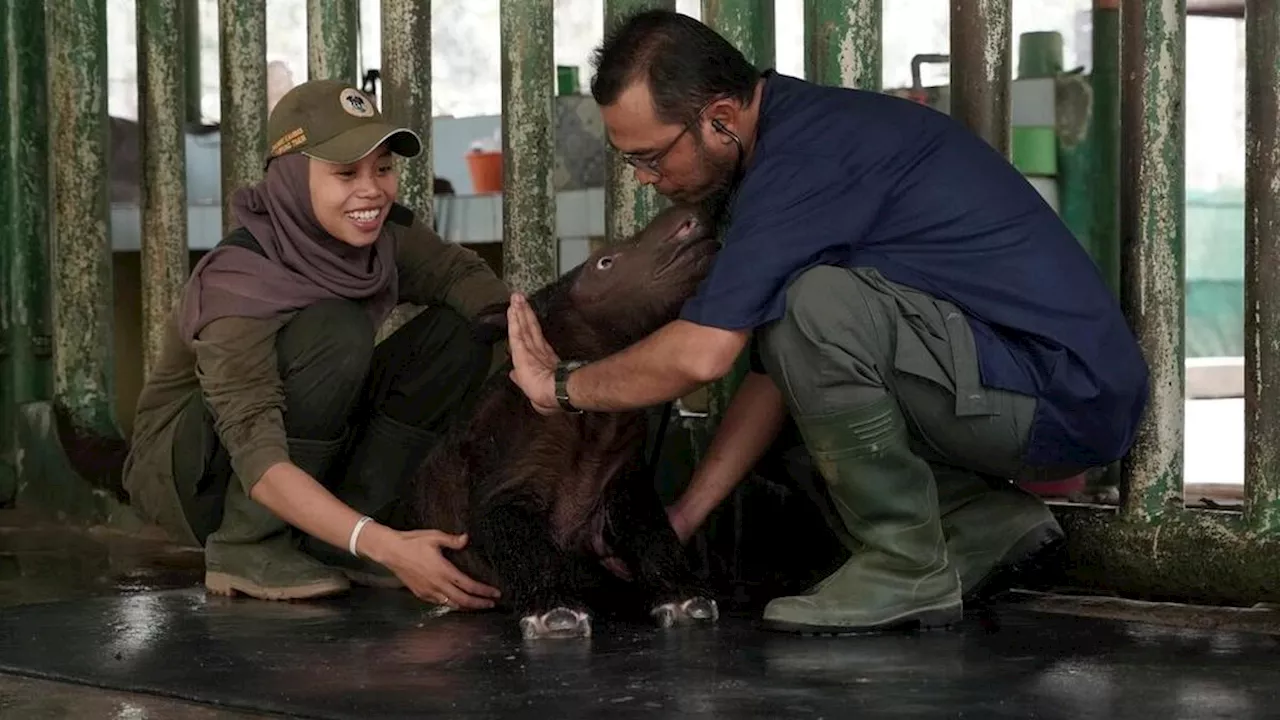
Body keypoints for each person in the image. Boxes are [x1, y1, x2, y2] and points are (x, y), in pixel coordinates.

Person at [504, 10, 1150, 634]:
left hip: (1056, 396)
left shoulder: (806, 160)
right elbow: (781, 376)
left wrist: (560, 387)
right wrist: (684, 516)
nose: (646, 179)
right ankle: (980, 523)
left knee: (815, 303)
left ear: (720, 119)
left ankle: (906, 566)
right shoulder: (789, 145)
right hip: (1026, 385)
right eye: (632, 163)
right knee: (795, 374)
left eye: (651, 157)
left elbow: (700, 356)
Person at [123, 79, 509, 610]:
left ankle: (346, 531)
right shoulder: (238, 279)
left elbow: (455, 274)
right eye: (345, 173)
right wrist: (389, 546)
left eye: (383, 169)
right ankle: (248, 545)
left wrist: (540, 355)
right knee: (336, 331)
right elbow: (255, 453)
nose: (371, 190)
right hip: (199, 476)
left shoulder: (383, 236)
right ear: (290, 178)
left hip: (292, 453)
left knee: (462, 331)